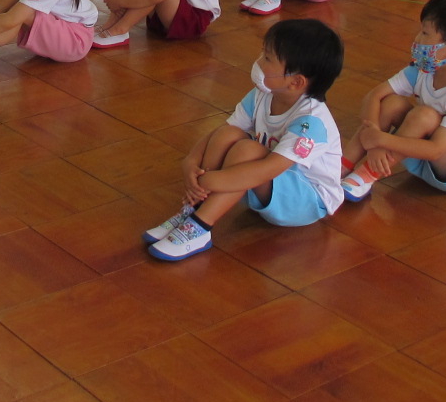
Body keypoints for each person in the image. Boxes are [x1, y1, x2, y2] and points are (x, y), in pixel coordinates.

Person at [146, 20, 345, 260]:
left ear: (296, 82)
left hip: (306, 201)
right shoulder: (263, 94)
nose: (259, 61)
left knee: (246, 150)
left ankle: (200, 226)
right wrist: (192, 162)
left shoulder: (311, 122)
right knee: (229, 135)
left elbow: (269, 169)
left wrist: (209, 180)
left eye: (268, 58)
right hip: (269, 186)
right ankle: (195, 207)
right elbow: (224, 130)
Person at [339, 0, 446, 202]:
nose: (417, 39)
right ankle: (340, 166)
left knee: (424, 115)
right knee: (390, 103)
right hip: (428, 154)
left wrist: (381, 139)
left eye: (425, 34)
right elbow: (374, 96)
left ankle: (367, 175)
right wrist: (375, 141)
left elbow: (436, 150)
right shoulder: (424, 70)